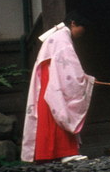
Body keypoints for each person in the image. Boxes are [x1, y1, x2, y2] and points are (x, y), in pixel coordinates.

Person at [21, 11, 95, 163]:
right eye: (82, 28)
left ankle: (46, 154)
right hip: (55, 82)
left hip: (49, 80)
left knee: (49, 115)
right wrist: (85, 78)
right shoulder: (62, 39)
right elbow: (70, 68)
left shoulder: (58, 36)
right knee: (61, 111)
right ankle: (65, 152)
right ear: (73, 23)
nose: (83, 32)